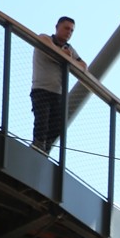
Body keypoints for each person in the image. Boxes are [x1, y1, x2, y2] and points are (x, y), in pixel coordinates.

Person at [30, 16, 86, 153]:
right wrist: (65, 55)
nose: (69, 32)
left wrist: (66, 56)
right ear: (57, 27)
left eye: (72, 30)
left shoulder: (69, 49)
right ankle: (37, 150)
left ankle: (44, 153)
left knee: (56, 128)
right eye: (66, 28)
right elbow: (49, 49)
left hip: (58, 94)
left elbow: (83, 66)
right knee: (41, 125)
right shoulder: (45, 38)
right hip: (41, 90)